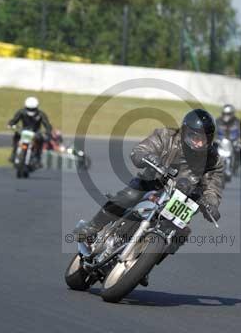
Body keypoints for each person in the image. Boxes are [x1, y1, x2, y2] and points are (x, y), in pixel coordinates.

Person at [77, 109, 224, 268]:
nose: (198, 143)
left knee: (180, 232)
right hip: (154, 182)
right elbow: (141, 150)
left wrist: (211, 203)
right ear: (184, 132)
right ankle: (92, 227)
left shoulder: (213, 160)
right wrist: (149, 157)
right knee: (130, 195)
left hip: (183, 198)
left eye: (203, 139)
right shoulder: (167, 137)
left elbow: (213, 187)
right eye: (194, 137)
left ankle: (144, 264)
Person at [7, 97, 52, 165]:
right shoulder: (21, 112)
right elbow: (14, 120)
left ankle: (37, 157)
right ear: (25, 106)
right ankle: (14, 154)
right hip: (23, 131)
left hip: (36, 132)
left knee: (41, 140)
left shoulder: (41, 114)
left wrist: (48, 132)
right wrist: (11, 124)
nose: (31, 111)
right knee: (16, 136)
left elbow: (47, 124)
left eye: (32, 109)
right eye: (29, 109)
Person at [216, 104, 241, 169]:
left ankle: (236, 165)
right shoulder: (218, 121)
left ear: (232, 113)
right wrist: (213, 138)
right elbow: (212, 130)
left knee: (239, 150)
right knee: (211, 150)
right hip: (220, 141)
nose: (227, 116)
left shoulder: (237, 121)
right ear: (223, 113)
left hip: (233, 141)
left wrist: (240, 138)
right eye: (225, 114)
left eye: (229, 114)